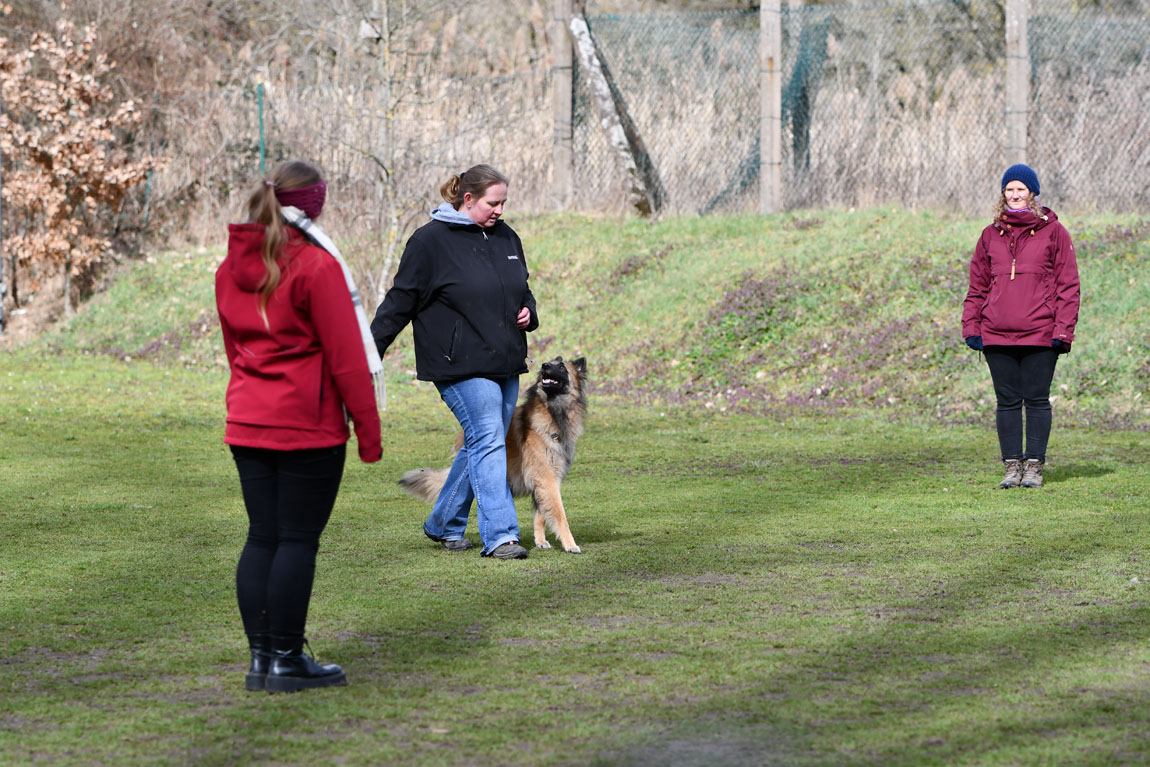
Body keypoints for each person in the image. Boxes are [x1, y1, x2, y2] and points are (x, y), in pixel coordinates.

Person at [216, 160, 383, 693]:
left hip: (247, 420)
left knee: (262, 536)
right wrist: (369, 431)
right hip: (306, 426)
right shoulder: (315, 266)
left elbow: (234, 350)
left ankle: (263, 660)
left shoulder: (229, 268)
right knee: (295, 541)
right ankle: (286, 659)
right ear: (314, 204)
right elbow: (348, 359)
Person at [371, 164, 538, 560]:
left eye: (504, 203)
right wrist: (368, 351)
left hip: (505, 360)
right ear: (468, 199)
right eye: (493, 203)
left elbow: (521, 288)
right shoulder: (430, 242)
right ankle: (501, 535)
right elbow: (400, 302)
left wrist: (529, 312)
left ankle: (444, 522)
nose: (500, 210)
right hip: (458, 364)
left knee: (483, 443)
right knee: (488, 439)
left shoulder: (507, 237)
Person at [962, 164, 1080, 490]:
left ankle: (1035, 467)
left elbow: (1068, 287)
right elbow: (977, 286)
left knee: (1037, 400)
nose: (1015, 195)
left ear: (1032, 193)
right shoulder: (990, 235)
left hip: (1041, 333)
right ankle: (1012, 467)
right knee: (1007, 402)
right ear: (1003, 194)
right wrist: (972, 326)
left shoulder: (1055, 233)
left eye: (1021, 189)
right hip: (997, 333)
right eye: (1009, 190)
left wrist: (1063, 331)